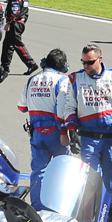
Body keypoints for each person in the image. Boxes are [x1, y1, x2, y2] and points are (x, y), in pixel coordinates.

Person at [57, 44, 112, 222]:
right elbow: (69, 107)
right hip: (87, 137)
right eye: (83, 62)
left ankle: (110, 208)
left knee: (110, 175)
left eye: (90, 62)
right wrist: (72, 130)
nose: (86, 66)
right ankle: (88, 210)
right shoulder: (75, 79)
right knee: (88, 175)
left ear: (100, 59)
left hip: (110, 138)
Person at [17, 50, 71, 203]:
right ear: (63, 65)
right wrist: (65, 131)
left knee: (38, 171)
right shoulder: (62, 80)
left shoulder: (32, 80)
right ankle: (59, 204)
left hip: (37, 132)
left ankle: (37, 206)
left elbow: (21, 106)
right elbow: (63, 108)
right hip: (57, 131)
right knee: (61, 170)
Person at [0, 0, 33, 77]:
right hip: (20, 22)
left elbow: (15, 12)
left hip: (15, 24)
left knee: (17, 44)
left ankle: (31, 63)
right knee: (7, 45)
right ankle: (4, 66)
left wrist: (9, 23)